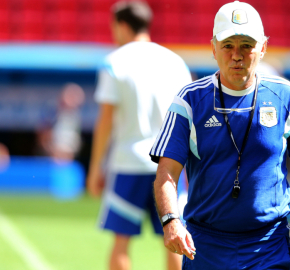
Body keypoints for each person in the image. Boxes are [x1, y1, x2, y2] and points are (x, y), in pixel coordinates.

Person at [149, 1, 290, 269]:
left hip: (268, 244)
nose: (237, 55)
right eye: (228, 45)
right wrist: (171, 221)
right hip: (205, 245)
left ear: (263, 48)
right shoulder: (189, 101)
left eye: (246, 45)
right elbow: (167, 172)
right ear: (213, 48)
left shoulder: (287, 98)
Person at [86, 2, 191, 270]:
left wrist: (96, 166)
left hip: (128, 163)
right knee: (175, 240)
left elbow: (106, 119)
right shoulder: (175, 61)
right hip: (169, 165)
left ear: (121, 25)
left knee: (120, 243)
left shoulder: (114, 62)